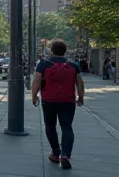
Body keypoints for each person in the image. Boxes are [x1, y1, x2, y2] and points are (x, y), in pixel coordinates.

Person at [31, 39, 84, 170]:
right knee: (67, 127)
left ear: (52, 50)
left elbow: (36, 81)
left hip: (48, 100)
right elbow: (80, 83)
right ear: (65, 51)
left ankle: (55, 152)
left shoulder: (43, 64)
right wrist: (80, 97)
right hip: (68, 100)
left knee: (50, 126)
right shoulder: (73, 65)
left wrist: (34, 96)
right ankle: (65, 154)